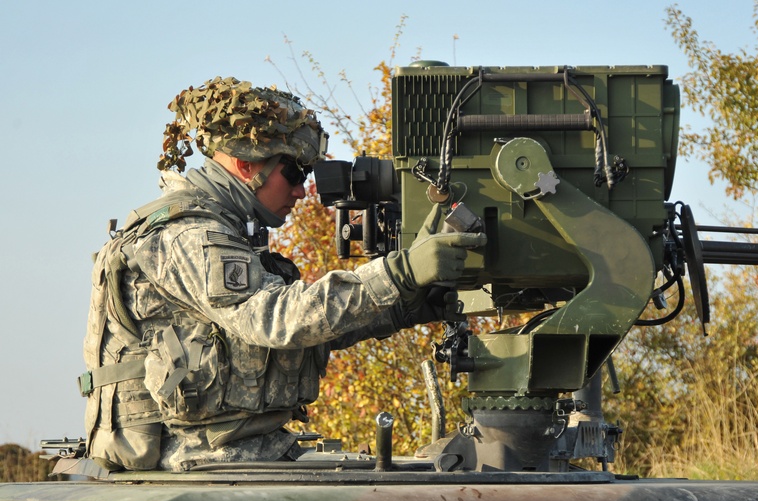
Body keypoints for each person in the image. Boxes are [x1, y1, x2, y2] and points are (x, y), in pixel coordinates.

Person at [80, 76, 485, 471]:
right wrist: (398, 273)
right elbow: (274, 319)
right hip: (190, 455)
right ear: (245, 165)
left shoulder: (227, 231)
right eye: (293, 174)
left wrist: (403, 307)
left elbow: (309, 330)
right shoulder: (190, 234)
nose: (301, 191)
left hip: (236, 450)